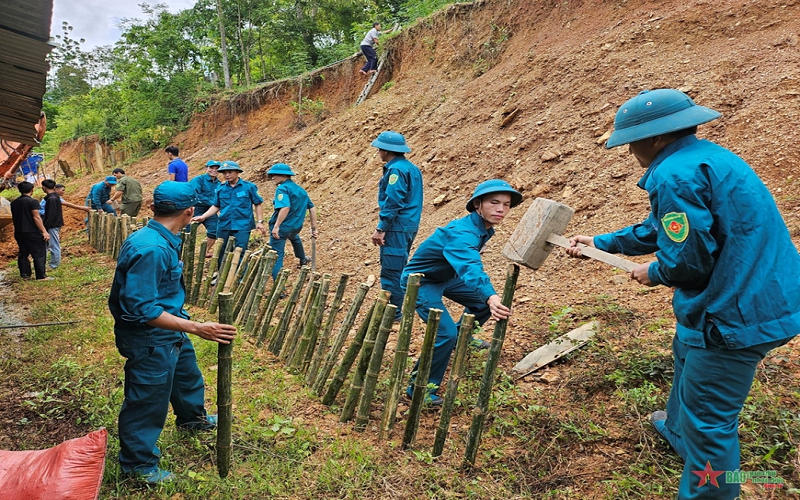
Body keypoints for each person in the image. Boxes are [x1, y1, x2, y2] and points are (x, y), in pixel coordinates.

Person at [565, 89, 800, 500]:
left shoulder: (673, 174)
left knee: (710, 421)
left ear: (657, 137)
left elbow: (690, 260)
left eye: (632, 140)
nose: (630, 149)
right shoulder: (707, 157)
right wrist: (605, 242)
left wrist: (654, 271)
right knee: (686, 348)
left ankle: (710, 486)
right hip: (763, 292)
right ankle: (678, 431)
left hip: (736, 313)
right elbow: (668, 228)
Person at [108, 181, 237, 484]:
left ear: (152, 207)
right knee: (147, 398)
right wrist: (196, 327)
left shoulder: (160, 236)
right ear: (191, 212)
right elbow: (142, 309)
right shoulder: (151, 248)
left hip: (169, 327)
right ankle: (137, 465)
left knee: (186, 375)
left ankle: (193, 420)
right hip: (148, 336)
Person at [402, 179, 522, 404]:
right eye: (494, 203)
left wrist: (487, 298)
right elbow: (469, 266)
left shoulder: (483, 228)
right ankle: (419, 389)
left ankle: (461, 339)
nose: (501, 209)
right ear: (478, 204)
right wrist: (491, 294)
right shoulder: (462, 233)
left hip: (446, 278)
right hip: (422, 282)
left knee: (481, 303)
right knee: (444, 333)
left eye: (506, 205)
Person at [370, 130, 423, 321]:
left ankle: (393, 312)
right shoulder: (411, 168)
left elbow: (393, 201)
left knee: (392, 270)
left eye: (379, 149)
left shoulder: (395, 170)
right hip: (408, 226)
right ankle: (396, 309)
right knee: (398, 265)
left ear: (386, 150)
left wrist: (382, 227)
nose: (378, 153)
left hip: (396, 227)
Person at [192, 161, 266, 265]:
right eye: (224, 173)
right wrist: (203, 217)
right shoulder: (221, 188)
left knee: (240, 252)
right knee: (221, 252)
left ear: (237, 172)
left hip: (242, 225)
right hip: (224, 225)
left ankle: (238, 278)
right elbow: (216, 206)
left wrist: (260, 221)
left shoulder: (248, 187)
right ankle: (221, 276)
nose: (227, 175)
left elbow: (257, 204)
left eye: (230, 172)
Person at [266, 163, 318, 279]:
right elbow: (312, 208)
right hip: (295, 227)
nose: (272, 177)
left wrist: (276, 226)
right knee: (295, 239)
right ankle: (303, 258)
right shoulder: (301, 190)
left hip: (282, 228)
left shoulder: (282, 188)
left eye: (275, 175)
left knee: (277, 255)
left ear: (284, 175)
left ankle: (279, 288)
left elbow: (285, 207)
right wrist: (313, 228)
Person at [40, 179, 90, 270]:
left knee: (54, 244)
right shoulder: (53, 197)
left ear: (43, 187)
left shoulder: (52, 198)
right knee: (49, 244)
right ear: (56, 188)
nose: (63, 192)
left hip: (51, 224)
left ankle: (54, 265)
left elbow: (52, 214)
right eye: (62, 190)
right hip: (51, 223)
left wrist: (46, 225)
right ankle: (48, 263)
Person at [10, 181, 50, 280]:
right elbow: (36, 217)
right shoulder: (32, 202)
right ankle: (41, 276)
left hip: (19, 231)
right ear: (31, 190)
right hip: (32, 231)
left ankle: (25, 275)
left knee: (23, 253)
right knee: (39, 253)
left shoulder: (14, 203)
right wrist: (44, 231)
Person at [189, 160, 222, 257]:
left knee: (215, 229)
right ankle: (181, 251)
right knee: (186, 230)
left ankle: (205, 251)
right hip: (196, 208)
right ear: (206, 168)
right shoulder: (199, 180)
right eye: (211, 168)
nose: (214, 170)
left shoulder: (218, 183)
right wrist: (213, 203)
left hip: (210, 210)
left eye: (216, 168)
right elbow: (195, 194)